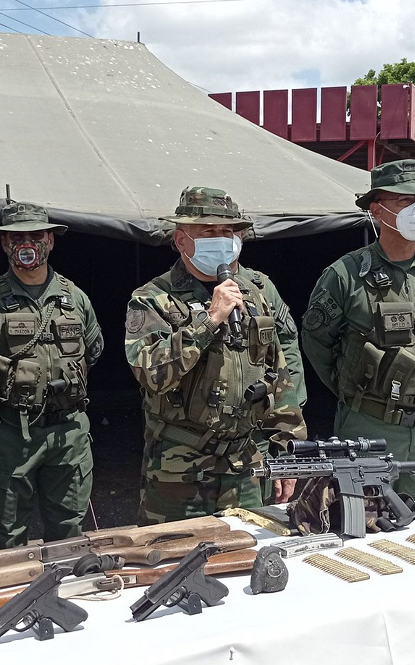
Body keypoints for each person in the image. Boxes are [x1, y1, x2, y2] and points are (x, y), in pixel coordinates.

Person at [125, 186, 307, 525]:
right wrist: (210, 320)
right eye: (209, 231)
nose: (221, 239)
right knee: (175, 562)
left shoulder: (254, 292)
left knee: (251, 558)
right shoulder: (152, 298)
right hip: (180, 469)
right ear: (181, 240)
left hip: (246, 465)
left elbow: (278, 377)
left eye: (228, 231)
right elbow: (152, 373)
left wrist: (288, 451)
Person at [302, 159, 415, 503]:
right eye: (404, 201)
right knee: (363, 522)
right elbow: (316, 343)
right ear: (377, 210)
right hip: (368, 429)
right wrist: (357, 390)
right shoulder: (345, 274)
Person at [0, 201, 103, 549]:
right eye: (16, 237)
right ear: (4, 243)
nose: (26, 244)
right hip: (9, 437)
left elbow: (93, 351)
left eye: (35, 235)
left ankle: (64, 598)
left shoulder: (74, 297)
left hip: (67, 436)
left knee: (68, 532)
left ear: (50, 240)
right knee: (7, 534)